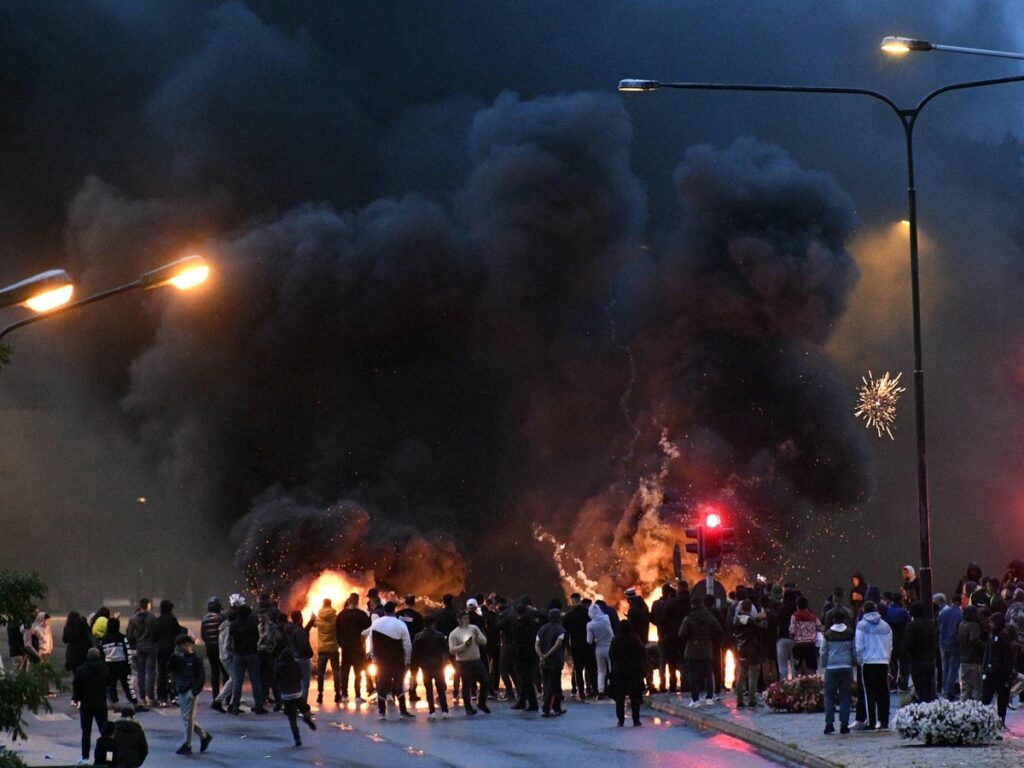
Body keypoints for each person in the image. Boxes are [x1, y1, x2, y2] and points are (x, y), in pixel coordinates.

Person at [367, 601, 414, 720]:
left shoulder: (376, 624)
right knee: (399, 683)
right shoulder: (400, 624)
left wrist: (373, 658)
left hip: (381, 660)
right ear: (394, 610)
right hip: (397, 659)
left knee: (381, 683)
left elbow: (371, 642)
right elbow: (407, 644)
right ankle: (403, 710)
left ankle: (382, 712)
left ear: (384, 611)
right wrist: (407, 661)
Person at [169, 635, 212, 755]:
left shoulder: (196, 658)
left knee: (188, 718)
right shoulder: (178, 658)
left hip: (190, 691)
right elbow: (171, 671)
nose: (180, 649)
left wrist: (193, 691)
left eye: (181, 646)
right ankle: (204, 735)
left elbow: (201, 676)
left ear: (187, 644)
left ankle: (187, 744)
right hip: (181, 689)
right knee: (186, 719)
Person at [854, 601, 892, 731]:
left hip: (868, 662)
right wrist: (887, 660)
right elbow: (890, 645)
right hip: (883, 662)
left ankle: (872, 721)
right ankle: (884, 721)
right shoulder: (886, 626)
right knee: (883, 692)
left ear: (864, 610)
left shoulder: (861, 625)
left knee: (869, 693)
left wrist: (860, 661)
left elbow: (858, 646)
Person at [679, 595, 723, 708]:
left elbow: (681, 634)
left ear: (692, 605)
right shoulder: (709, 617)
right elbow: (719, 630)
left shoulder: (688, 618)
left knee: (693, 676)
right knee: (708, 674)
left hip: (692, 649)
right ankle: (709, 697)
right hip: (707, 649)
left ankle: (695, 699)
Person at [73, 647, 110, 766]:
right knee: (105, 732)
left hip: (86, 704)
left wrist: (76, 698)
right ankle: (109, 758)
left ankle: (85, 757)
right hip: (100, 703)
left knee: (86, 732)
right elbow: (109, 682)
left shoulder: (81, 669)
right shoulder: (104, 668)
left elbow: (76, 686)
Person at [448, 610, 490, 715]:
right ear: (459, 620)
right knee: (466, 685)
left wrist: (477, 638)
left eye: (467, 618)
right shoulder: (454, 634)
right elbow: (452, 650)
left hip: (476, 660)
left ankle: (482, 703)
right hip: (463, 662)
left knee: (485, 681)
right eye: (464, 618)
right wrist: (464, 646)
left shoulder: (474, 629)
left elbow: (484, 641)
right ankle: (468, 708)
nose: (467, 620)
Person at [820, 608, 854, 735]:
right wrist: (853, 662)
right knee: (845, 696)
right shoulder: (850, 633)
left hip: (832, 667)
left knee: (829, 696)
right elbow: (853, 650)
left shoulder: (828, 634)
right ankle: (844, 724)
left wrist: (825, 664)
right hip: (846, 666)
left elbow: (823, 652)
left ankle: (829, 724)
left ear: (833, 620)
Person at [229, 597, 265, 714]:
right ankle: (259, 705)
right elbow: (257, 638)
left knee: (238, 681)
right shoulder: (252, 625)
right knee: (255, 680)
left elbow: (232, 639)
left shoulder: (233, 625)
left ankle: (235, 705)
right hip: (251, 654)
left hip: (238, 655)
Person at [412, 615, 450, 719]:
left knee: (429, 690)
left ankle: (431, 712)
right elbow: (445, 650)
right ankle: (445, 711)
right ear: (434, 624)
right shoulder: (440, 635)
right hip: (438, 666)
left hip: (425, 667)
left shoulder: (419, 636)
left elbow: (415, 652)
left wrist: (417, 664)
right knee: (441, 689)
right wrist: (445, 662)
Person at [277, 648, 316, 745]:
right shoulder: (296, 665)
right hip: (297, 692)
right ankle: (307, 717)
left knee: (292, 717)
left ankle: (297, 738)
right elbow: (301, 676)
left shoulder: (280, 667)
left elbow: (276, 680)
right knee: (304, 708)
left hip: (286, 695)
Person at [609, 622, 645, 727]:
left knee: (620, 697)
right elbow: (642, 654)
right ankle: (636, 720)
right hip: (633, 672)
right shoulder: (635, 639)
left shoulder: (615, 640)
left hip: (619, 672)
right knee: (635, 696)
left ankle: (620, 720)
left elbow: (611, 655)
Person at [101, 618, 140, 709]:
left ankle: (115, 702)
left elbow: (102, 653)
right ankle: (133, 701)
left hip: (109, 664)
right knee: (127, 685)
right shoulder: (123, 637)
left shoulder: (104, 639)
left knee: (112, 685)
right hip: (122, 664)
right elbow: (127, 651)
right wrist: (129, 664)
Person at [902, 600, 936, 702]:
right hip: (929, 659)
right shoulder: (931, 624)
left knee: (920, 689)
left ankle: (923, 708)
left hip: (916, 661)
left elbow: (908, 644)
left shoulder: (911, 626)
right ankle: (931, 707)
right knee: (929, 686)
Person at [982, 612, 1013, 726]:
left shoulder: (1003, 636)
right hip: (990, 672)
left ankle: (1000, 721)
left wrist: (1007, 672)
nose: (990, 624)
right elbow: (987, 652)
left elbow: (1007, 656)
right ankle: (985, 720)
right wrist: (985, 667)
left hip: (1000, 673)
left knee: (1002, 700)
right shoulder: (991, 635)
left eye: (992, 622)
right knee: (986, 698)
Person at [535, 608, 566, 717]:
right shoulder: (561, 630)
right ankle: (546, 707)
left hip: (544, 663)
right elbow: (558, 645)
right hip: (555, 662)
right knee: (552, 685)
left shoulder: (542, 629)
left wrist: (541, 656)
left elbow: (537, 644)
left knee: (548, 683)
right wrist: (547, 656)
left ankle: (557, 708)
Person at [127, 599, 157, 709]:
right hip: (150, 646)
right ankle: (151, 697)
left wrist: (132, 646)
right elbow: (156, 632)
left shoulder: (133, 618)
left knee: (141, 673)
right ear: (148, 606)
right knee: (151, 673)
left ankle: (142, 697)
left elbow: (129, 634)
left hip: (139, 647)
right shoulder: (152, 618)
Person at [732, 599, 762, 708]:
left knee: (741, 675)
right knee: (753, 675)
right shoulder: (750, 620)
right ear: (750, 608)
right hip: (752, 650)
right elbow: (760, 629)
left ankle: (739, 700)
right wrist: (760, 620)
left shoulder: (736, 620)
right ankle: (752, 699)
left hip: (741, 650)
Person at [509, 604, 540, 711]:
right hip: (532, 655)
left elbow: (516, 642)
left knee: (525, 681)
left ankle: (532, 703)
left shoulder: (518, 625)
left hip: (522, 656)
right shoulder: (532, 623)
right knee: (526, 680)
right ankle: (522, 702)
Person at [153, 600, 182, 707]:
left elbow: (154, 635)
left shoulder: (158, 620)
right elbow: (178, 632)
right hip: (171, 648)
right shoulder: (172, 619)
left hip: (160, 649)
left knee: (161, 673)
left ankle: (162, 697)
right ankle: (173, 695)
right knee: (173, 673)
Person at [284, 610, 314, 708]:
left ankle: (297, 704)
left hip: (295, 657)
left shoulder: (291, 629)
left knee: (297, 682)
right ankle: (303, 705)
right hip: (303, 658)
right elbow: (303, 644)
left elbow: (304, 632)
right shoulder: (299, 631)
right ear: (300, 618)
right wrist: (310, 653)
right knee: (305, 683)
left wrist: (311, 621)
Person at [935, 593, 962, 700]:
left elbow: (938, 626)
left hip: (943, 643)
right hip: (954, 644)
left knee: (944, 667)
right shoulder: (959, 614)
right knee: (953, 668)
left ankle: (944, 689)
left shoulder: (944, 613)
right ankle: (949, 691)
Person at [313, 598, 341, 705]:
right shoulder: (335, 617)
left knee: (321, 673)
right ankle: (337, 693)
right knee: (336, 672)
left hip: (322, 649)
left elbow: (314, 625)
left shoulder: (318, 617)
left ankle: (320, 694)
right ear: (330, 604)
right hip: (334, 648)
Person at [397, 594, 424, 701]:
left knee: (400, 671)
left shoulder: (398, 614)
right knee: (413, 672)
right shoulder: (418, 616)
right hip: (413, 647)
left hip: (400, 647)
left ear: (405, 602)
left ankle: (399, 692)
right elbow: (420, 633)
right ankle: (412, 693)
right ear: (414, 603)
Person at [200, 597, 226, 705]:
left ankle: (215, 696)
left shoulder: (205, 619)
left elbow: (203, 635)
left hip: (210, 648)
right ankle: (226, 695)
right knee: (225, 672)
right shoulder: (222, 618)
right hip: (221, 647)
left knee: (214, 672)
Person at [586, 602, 614, 697]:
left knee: (601, 670)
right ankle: (612, 687)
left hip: (599, 648)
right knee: (612, 668)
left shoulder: (590, 625)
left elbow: (589, 641)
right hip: (610, 646)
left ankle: (600, 690)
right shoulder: (606, 618)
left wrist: (596, 639)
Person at [789, 596, 822, 675]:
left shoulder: (794, 616)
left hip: (799, 647)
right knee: (811, 668)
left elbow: (792, 630)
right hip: (811, 646)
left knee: (798, 669)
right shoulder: (813, 617)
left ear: (797, 606)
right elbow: (820, 627)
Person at [885, 594, 911, 691]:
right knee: (904, 663)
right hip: (902, 639)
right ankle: (903, 683)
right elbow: (909, 622)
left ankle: (892, 683)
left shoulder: (888, 610)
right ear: (900, 600)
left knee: (892, 664)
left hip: (891, 640)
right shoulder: (903, 611)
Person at [958, 605, 984, 701]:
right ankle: (978, 709)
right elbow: (974, 639)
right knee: (977, 688)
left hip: (963, 660)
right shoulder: (974, 626)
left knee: (965, 688)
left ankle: (964, 709)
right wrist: (984, 646)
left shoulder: (961, 624)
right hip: (974, 660)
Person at [775, 588, 797, 681]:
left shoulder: (781, 608)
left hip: (782, 638)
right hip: (794, 639)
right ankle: (796, 685)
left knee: (782, 666)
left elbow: (777, 624)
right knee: (794, 665)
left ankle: (783, 687)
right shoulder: (796, 609)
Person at [64, 611, 93, 675]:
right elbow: (89, 634)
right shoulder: (83, 624)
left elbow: (65, 640)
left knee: (75, 672)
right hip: (84, 650)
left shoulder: (68, 626)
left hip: (73, 652)